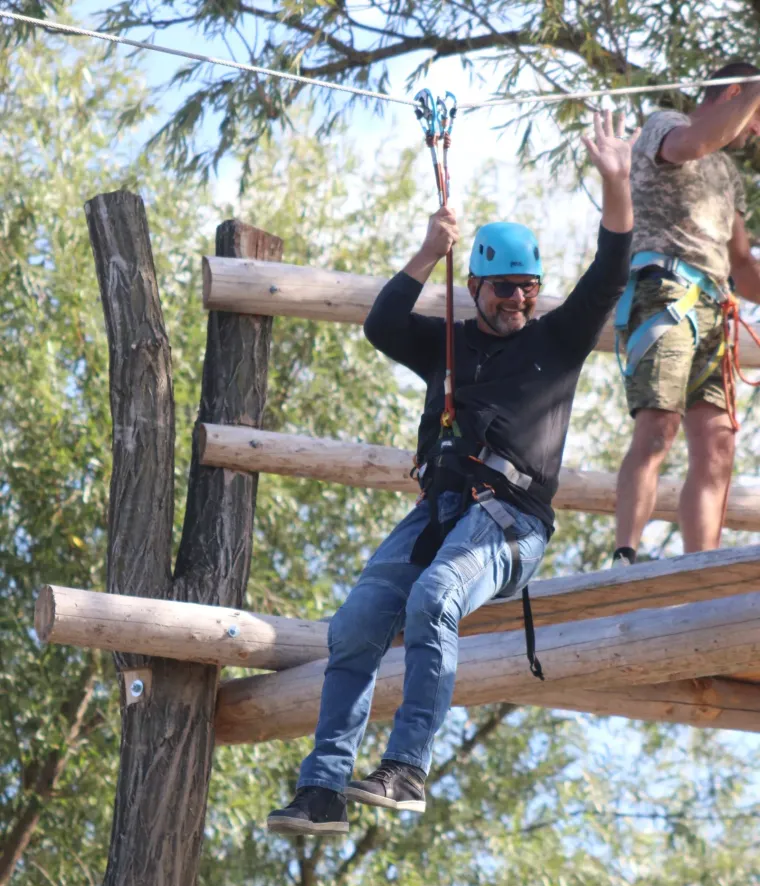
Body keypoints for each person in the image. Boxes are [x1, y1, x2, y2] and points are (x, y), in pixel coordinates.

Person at [267, 111, 634, 837]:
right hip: (438, 514)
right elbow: (381, 325)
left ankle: (406, 768)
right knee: (356, 624)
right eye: (503, 288)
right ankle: (323, 789)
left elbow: (612, 267)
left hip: (512, 520)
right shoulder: (447, 343)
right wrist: (426, 249)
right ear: (473, 286)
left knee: (434, 597)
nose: (517, 299)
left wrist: (617, 182)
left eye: (527, 287)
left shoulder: (558, 341)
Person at [613, 61, 760, 565]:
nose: (756, 130)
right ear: (735, 93)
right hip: (666, 292)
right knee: (657, 428)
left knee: (717, 446)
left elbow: (742, 265)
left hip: (716, 306)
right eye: (756, 115)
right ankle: (625, 557)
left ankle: (702, 570)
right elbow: (694, 144)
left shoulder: (727, 174)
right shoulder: (666, 126)